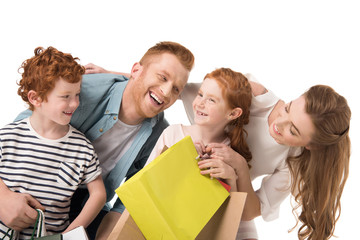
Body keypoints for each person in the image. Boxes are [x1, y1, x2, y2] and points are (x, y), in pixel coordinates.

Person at [13, 41, 195, 240]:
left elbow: (133, 194)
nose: (167, 92)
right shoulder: (84, 91)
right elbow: (24, 127)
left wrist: (111, 230)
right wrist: (4, 198)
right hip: (39, 188)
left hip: (90, 206)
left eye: (177, 89)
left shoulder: (161, 135)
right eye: (163, 77)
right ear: (135, 70)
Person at [182, 75, 351, 240]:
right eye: (287, 109)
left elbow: (249, 212)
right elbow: (182, 90)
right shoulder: (254, 96)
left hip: (227, 197)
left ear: (311, 145)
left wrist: (240, 165)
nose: (279, 124)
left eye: (293, 131)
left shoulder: (293, 162)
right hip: (189, 171)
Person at [0, 47, 106, 239]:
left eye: (77, 95)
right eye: (66, 96)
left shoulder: (82, 148)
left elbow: (98, 194)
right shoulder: (8, 136)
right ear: (35, 98)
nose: (75, 103)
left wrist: (70, 233)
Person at [146, 68, 253, 194]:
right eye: (200, 94)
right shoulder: (173, 133)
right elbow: (146, 180)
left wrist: (231, 179)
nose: (200, 103)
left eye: (211, 100)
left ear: (233, 113)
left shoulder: (230, 154)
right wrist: (182, 156)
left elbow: (231, 211)